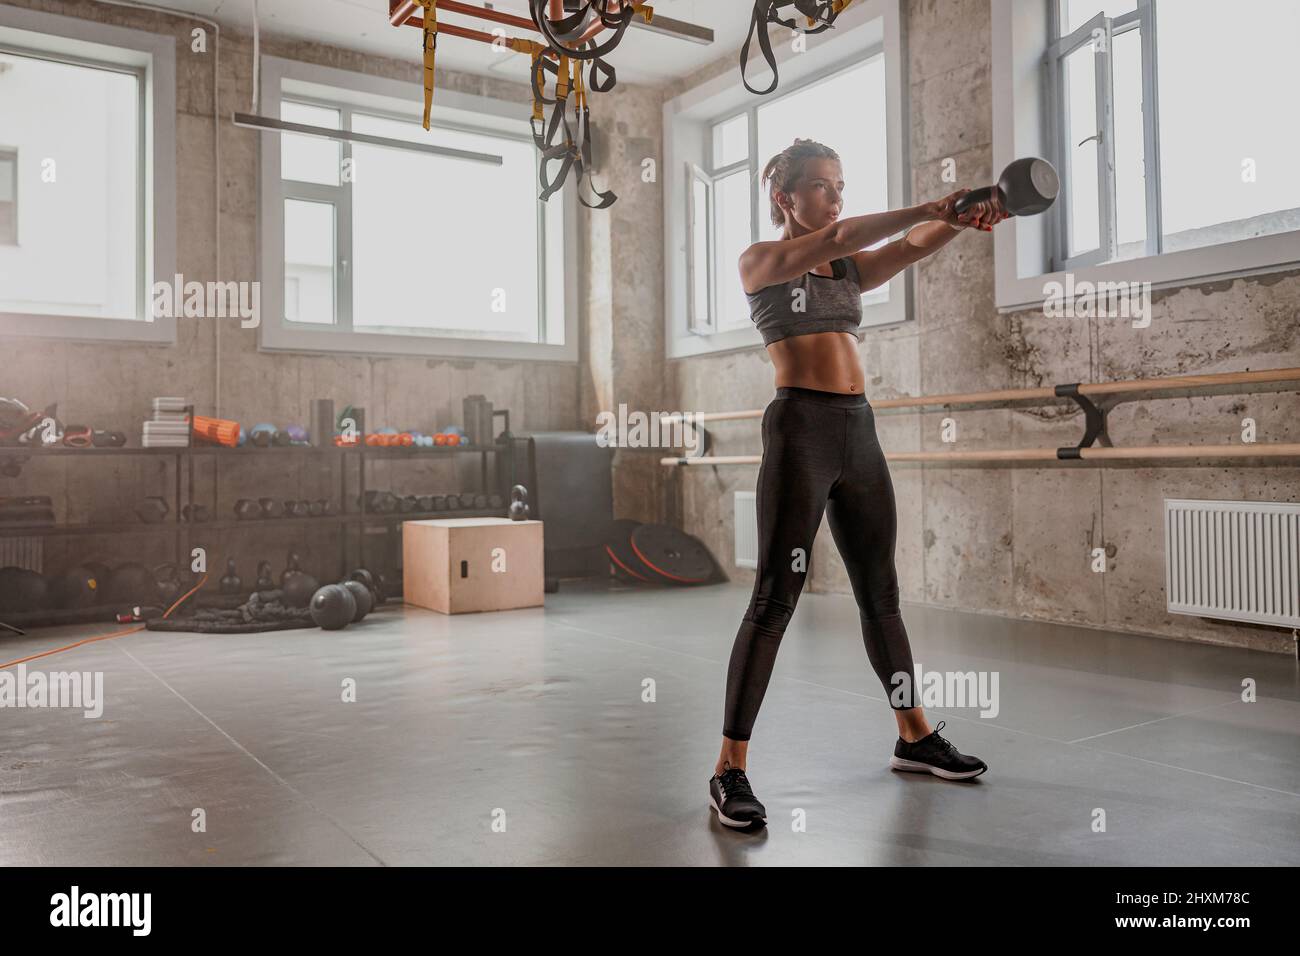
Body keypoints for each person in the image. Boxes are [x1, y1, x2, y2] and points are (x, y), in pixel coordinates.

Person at [708, 138, 1008, 830]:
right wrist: (931, 204)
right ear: (786, 196)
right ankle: (729, 768)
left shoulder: (842, 261)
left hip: (858, 432)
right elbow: (845, 234)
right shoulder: (763, 260)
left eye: (841, 184)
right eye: (821, 185)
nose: (835, 198)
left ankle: (914, 735)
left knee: (882, 594)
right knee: (773, 601)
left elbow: (904, 250)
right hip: (801, 432)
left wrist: (967, 216)